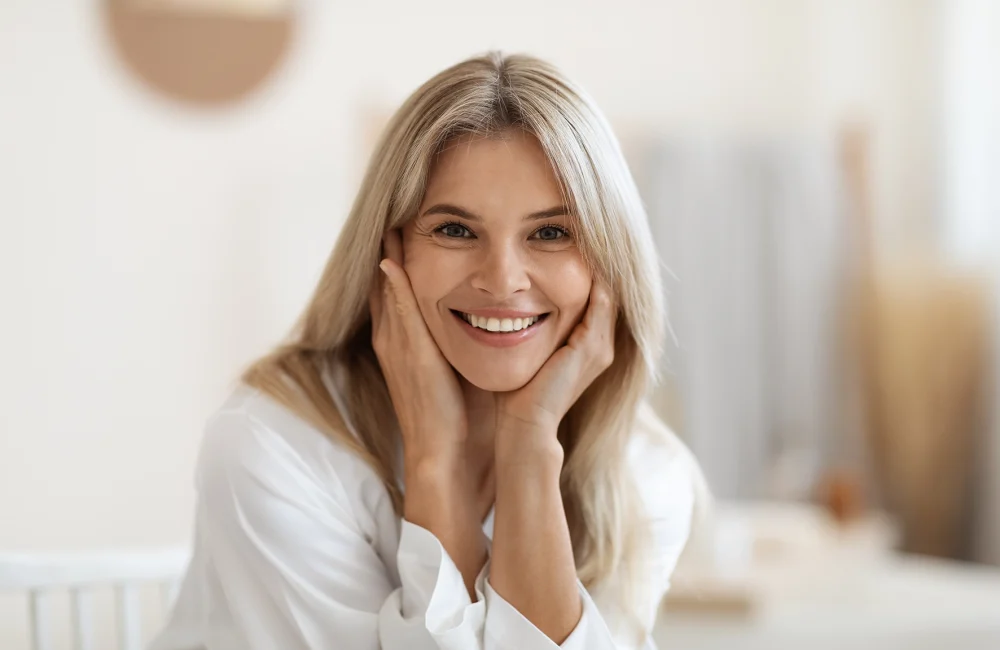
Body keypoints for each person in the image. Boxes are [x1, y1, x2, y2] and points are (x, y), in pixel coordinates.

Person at [149, 51, 706, 650]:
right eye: (455, 230)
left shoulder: (642, 478)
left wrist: (529, 447)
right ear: (389, 253)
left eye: (550, 233)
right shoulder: (274, 450)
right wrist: (435, 458)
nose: (502, 279)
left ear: (610, 262)